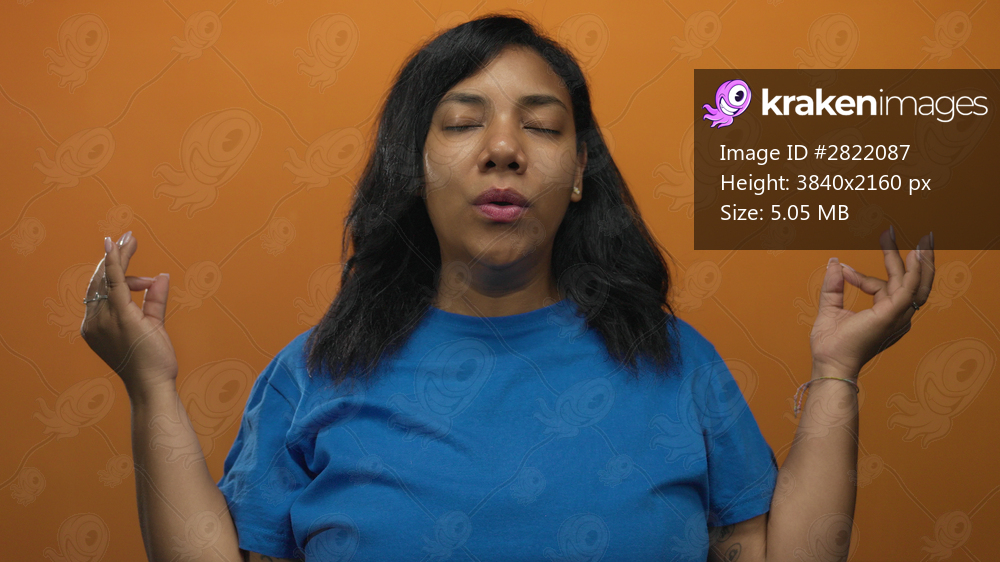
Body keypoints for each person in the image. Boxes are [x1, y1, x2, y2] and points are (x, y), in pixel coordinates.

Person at [80, 13, 935, 562]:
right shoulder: (312, 373)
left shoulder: (677, 363)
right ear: (413, 166)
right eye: (461, 122)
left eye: (541, 125)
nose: (502, 148)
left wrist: (838, 373)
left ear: (579, 171)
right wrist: (150, 388)